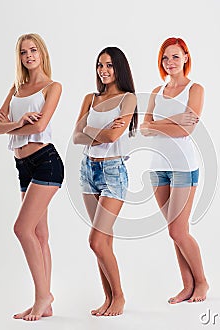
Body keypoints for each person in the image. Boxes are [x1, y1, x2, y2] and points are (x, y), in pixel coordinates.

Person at [0, 33, 63, 321]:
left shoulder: (52, 87)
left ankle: (43, 296)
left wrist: (10, 126)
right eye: (23, 52)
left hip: (46, 163)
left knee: (22, 229)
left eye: (33, 50)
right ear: (19, 57)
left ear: (42, 53)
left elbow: (41, 124)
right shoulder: (17, 89)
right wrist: (18, 123)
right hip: (24, 166)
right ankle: (46, 303)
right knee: (40, 234)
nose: (29, 55)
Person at [141, 37, 209, 304]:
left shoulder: (195, 89)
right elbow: (143, 128)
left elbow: (187, 129)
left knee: (178, 231)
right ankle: (187, 285)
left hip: (183, 167)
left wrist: (159, 124)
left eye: (175, 57)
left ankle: (202, 282)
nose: (170, 62)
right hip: (157, 168)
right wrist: (171, 121)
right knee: (175, 230)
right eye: (165, 58)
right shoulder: (157, 91)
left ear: (185, 58)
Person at [72, 46, 137, 316]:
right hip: (88, 171)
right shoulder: (90, 98)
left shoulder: (128, 99)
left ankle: (119, 297)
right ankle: (107, 298)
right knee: (104, 243)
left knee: (96, 241)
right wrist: (95, 131)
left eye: (109, 65)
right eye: (100, 65)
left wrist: (89, 129)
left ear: (119, 68)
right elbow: (75, 137)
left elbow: (113, 138)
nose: (104, 70)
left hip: (113, 172)